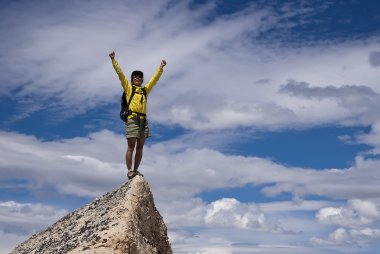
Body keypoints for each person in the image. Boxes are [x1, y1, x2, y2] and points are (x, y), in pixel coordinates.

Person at [109, 51, 167, 179]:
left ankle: (136, 170)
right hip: (132, 118)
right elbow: (121, 75)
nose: (137, 78)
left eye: (139, 77)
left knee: (140, 147)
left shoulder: (145, 90)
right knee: (131, 146)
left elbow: (154, 80)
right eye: (135, 76)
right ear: (132, 79)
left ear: (141, 79)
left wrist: (160, 68)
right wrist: (114, 61)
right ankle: (129, 170)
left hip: (143, 120)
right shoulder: (129, 89)